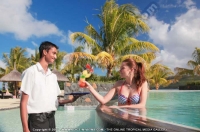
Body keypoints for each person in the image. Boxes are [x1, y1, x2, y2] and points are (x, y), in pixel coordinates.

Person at [20, 41, 81, 132]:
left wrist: (71, 100)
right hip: (37, 121)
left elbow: (56, 102)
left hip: (51, 119)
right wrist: (25, 128)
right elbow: (23, 102)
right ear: (45, 52)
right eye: (53, 53)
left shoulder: (53, 76)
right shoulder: (30, 72)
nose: (55, 57)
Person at [84, 58, 148, 109]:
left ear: (131, 70)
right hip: (122, 118)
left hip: (136, 120)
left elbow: (142, 105)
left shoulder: (142, 83)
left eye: (122, 68)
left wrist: (120, 107)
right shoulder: (119, 84)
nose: (119, 71)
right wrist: (90, 88)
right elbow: (103, 100)